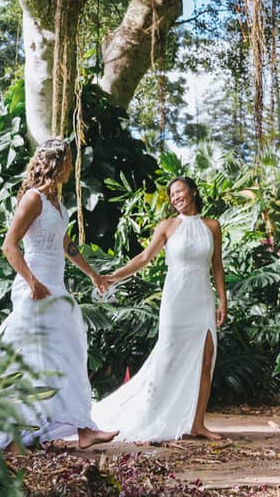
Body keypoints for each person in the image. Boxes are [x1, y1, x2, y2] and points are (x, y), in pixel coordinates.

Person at [0, 138, 118, 451]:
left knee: (69, 354)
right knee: (33, 359)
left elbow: (66, 245)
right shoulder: (33, 199)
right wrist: (31, 282)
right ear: (57, 165)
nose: (71, 165)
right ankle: (16, 436)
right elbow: (9, 246)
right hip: (34, 288)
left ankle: (84, 428)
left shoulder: (58, 203)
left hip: (56, 287)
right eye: (69, 160)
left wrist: (93, 274)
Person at [91, 175, 229, 441]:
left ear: (193, 192)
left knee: (206, 359)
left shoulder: (212, 226)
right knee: (167, 359)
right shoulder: (167, 226)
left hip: (202, 298)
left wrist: (223, 300)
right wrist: (113, 276)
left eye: (180, 192)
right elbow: (144, 258)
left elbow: (217, 266)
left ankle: (197, 424)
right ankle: (150, 413)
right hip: (176, 299)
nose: (176, 197)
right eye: (172, 195)